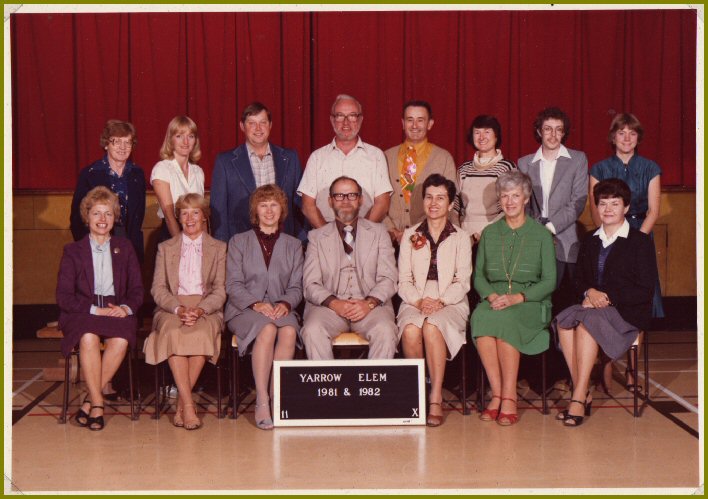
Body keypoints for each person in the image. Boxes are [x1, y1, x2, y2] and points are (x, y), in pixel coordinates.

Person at [554, 179, 657, 426]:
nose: (608, 208)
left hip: (626, 312)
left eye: (615, 203)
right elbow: (579, 281)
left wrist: (606, 298)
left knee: (585, 323)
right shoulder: (590, 240)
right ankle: (583, 390)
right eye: (602, 203)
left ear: (626, 207)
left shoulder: (639, 242)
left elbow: (645, 290)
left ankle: (578, 397)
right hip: (594, 308)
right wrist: (590, 292)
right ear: (597, 207)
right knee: (564, 321)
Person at [471, 171, 556, 426]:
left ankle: (508, 398)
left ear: (526, 198)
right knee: (481, 319)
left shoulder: (541, 235)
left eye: (515, 196)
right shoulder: (489, 233)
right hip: (495, 300)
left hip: (529, 303)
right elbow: (479, 278)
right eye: (504, 196)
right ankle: (498, 395)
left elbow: (550, 281)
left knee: (506, 322)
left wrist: (518, 297)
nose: (509, 202)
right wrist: (493, 295)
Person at [57, 186, 144, 430]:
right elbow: (63, 297)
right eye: (97, 213)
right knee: (88, 337)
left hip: (116, 307)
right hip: (83, 310)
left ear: (115, 217)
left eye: (108, 213)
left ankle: (89, 401)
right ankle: (97, 402)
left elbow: (137, 290)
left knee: (121, 340)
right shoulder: (73, 251)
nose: (102, 219)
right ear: (87, 216)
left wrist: (126, 308)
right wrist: (95, 309)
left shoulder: (125, 248)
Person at [144, 193, 226, 430]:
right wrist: (179, 309)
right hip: (171, 306)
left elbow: (220, 291)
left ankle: (182, 403)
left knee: (201, 333)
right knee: (172, 332)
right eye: (184, 213)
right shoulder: (165, 247)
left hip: (206, 307)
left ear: (204, 217)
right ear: (178, 217)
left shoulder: (219, 248)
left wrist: (200, 310)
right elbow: (157, 288)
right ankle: (189, 406)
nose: (190, 218)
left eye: (195, 212)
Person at [224, 185, 304, 430]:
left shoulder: (294, 245)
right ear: (255, 211)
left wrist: (284, 303)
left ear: (282, 211)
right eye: (263, 205)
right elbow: (233, 284)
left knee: (289, 331)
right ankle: (262, 400)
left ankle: (277, 396)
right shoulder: (239, 242)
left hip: (281, 308)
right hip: (244, 309)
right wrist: (255, 304)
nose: (269, 211)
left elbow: (297, 286)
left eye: (274, 205)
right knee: (267, 329)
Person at [397, 174, 472, 427]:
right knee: (409, 331)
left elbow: (462, 281)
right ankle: (416, 392)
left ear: (450, 204)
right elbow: (404, 279)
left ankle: (436, 396)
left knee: (431, 327)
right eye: (429, 197)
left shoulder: (461, 237)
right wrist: (419, 302)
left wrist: (439, 302)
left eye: (441, 198)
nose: (433, 203)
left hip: (450, 299)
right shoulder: (410, 235)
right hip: (415, 297)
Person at [301, 176, 398, 360]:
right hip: (329, 309)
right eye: (339, 196)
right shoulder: (316, 237)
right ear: (330, 201)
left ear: (360, 199)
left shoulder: (379, 233)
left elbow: (389, 278)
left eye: (352, 195)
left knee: (385, 330)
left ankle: (373, 388)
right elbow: (310, 284)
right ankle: (327, 387)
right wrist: (334, 303)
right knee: (313, 330)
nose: (345, 201)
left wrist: (368, 304)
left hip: (370, 307)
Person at [589, 112, 663, 317]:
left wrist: (635, 241)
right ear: (613, 137)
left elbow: (653, 211)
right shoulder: (599, 168)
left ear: (639, 137)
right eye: (621, 133)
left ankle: (633, 348)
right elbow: (596, 210)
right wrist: (609, 237)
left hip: (640, 232)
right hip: (608, 234)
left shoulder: (651, 168)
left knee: (638, 299)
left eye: (632, 133)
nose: (627, 138)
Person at [210, 102, 305, 242]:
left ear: (270, 125)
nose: (258, 128)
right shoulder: (225, 162)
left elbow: (299, 204)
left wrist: (301, 242)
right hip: (242, 244)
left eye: (263, 122)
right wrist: (223, 248)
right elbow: (218, 210)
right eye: (252, 123)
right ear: (242, 126)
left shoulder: (290, 158)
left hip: (284, 242)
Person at [517, 107, 587, 291]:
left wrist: (550, 227)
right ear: (539, 131)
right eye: (548, 128)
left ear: (564, 133)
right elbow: (523, 203)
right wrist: (539, 229)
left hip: (567, 237)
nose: (553, 134)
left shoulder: (578, 159)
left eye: (558, 129)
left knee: (566, 297)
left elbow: (578, 201)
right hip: (534, 235)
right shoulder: (524, 163)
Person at [298, 94, 392, 229]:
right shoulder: (317, 158)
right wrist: (329, 237)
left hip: (366, 237)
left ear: (360, 120)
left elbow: (382, 203)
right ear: (332, 120)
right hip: (324, 238)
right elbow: (308, 206)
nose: (346, 122)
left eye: (352, 116)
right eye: (340, 116)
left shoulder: (376, 156)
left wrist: (359, 235)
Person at [70, 120, 146, 262]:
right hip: (97, 247)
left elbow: (138, 216)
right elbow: (77, 219)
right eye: (116, 142)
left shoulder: (138, 174)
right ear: (106, 144)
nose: (122, 147)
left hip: (131, 247)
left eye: (127, 142)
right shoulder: (90, 174)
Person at [383, 100, 457, 245]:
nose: (415, 125)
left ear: (430, 124)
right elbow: (377, 200)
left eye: (420, 120)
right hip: (389, 240)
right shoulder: (385, 157)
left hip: (430, 241)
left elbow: (450, 202)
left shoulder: (443, 158)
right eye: (410, 120)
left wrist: (417, 233)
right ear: (403, 123)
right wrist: (392, 231)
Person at [455, 114, 517, 243]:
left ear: (496, 136)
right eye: (477, 133)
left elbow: (511, 207)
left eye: (487, 132)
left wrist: (484, 234)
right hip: (465, 239)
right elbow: (455, 206)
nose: (482, 137)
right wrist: (460, 234)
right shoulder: (463, 169)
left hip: (496, 237)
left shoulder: (506, 168)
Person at [150, 116, 206, 242]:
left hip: (196, 235)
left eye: (190, 136)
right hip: (172, 235)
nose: (185, 142)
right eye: (179, 136)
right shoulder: (162, 169)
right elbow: (169, 215)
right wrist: (183, 245)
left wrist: (205, 245)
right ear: (170, 139)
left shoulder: (198, 172)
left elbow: (202, 215)